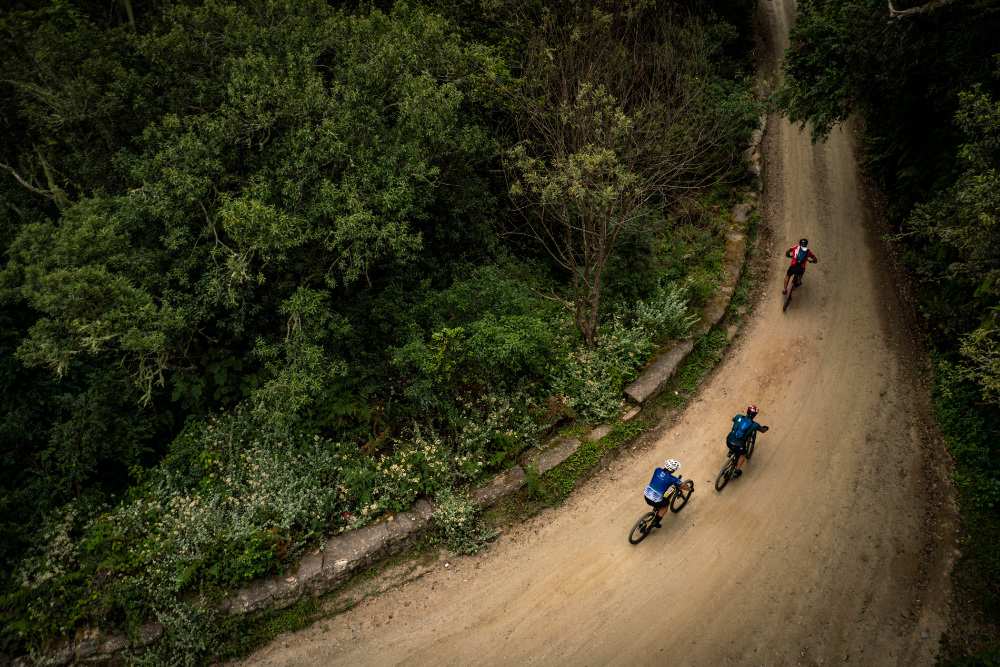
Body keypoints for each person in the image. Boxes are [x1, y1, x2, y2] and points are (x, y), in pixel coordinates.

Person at [643, 459, 693, 527]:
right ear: (673, 470)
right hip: (655, 500)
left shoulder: (657, 470)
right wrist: (690, 489)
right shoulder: (672, 479)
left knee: (658, 499)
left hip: (646, 495)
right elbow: (683, 486)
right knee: (666, 503)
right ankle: (656, 522)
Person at [726, 405, 769, 477]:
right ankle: (737, 471)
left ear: (747, 411)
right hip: (739, 446)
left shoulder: (738, 416)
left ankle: (730, 452)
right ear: (755, 415)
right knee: (742, 455)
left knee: (733, 439)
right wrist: (765, 428)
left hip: (728, 441)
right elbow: (762, 431)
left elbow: (733, 420)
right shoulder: (755, 425)